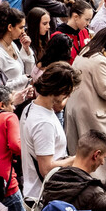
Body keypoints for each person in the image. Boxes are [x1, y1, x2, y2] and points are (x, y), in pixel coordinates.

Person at [65, 28, 106, 180]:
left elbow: (94, 85)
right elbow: (105, 92)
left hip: (79, 107)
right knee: (100, 151)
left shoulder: (85, 52)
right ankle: (104, 181)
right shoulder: (100, 60)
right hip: (94, 112)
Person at [22, 62, 81, 202]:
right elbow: (47, 169)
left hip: (36, 190)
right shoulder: (44, 123)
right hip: (43, 197)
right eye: (68, 92)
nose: (70, 95)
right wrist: (77, 158)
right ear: (60, 89)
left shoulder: (31, 108)